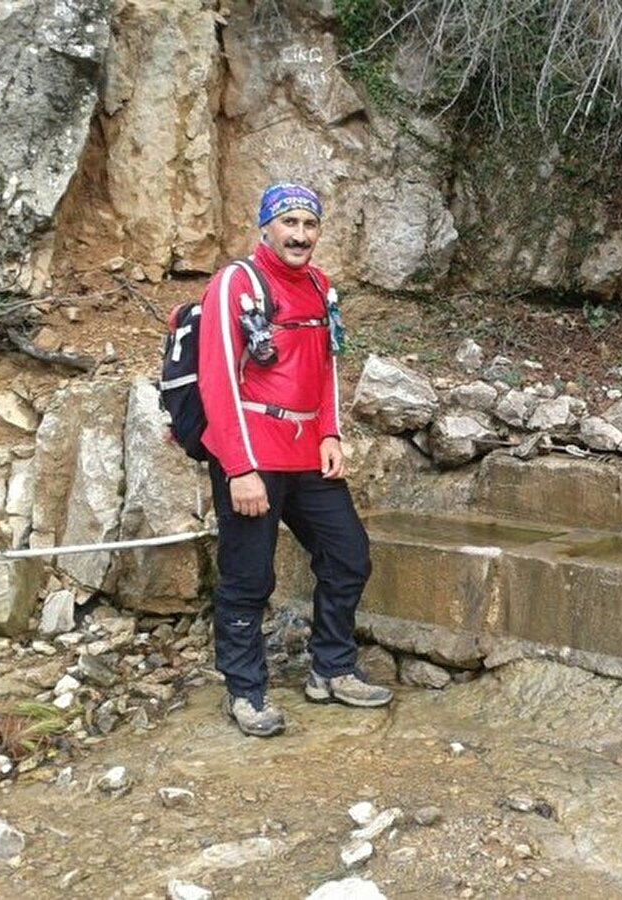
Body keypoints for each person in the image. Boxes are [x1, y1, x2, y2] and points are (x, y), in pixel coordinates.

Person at [198, 182, 392, 737]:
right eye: (289, 223)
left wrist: (330, 432)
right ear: (266, 228)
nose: (300, 235)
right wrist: (239, 468)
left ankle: (331, 668)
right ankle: (245, 690)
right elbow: (217, 380)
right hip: (253, 454)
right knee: (248, 576)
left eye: (310, 225)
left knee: (348, 554)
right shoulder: (236, 284)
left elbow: (327, 365)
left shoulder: (319, 285)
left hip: (308, 452)